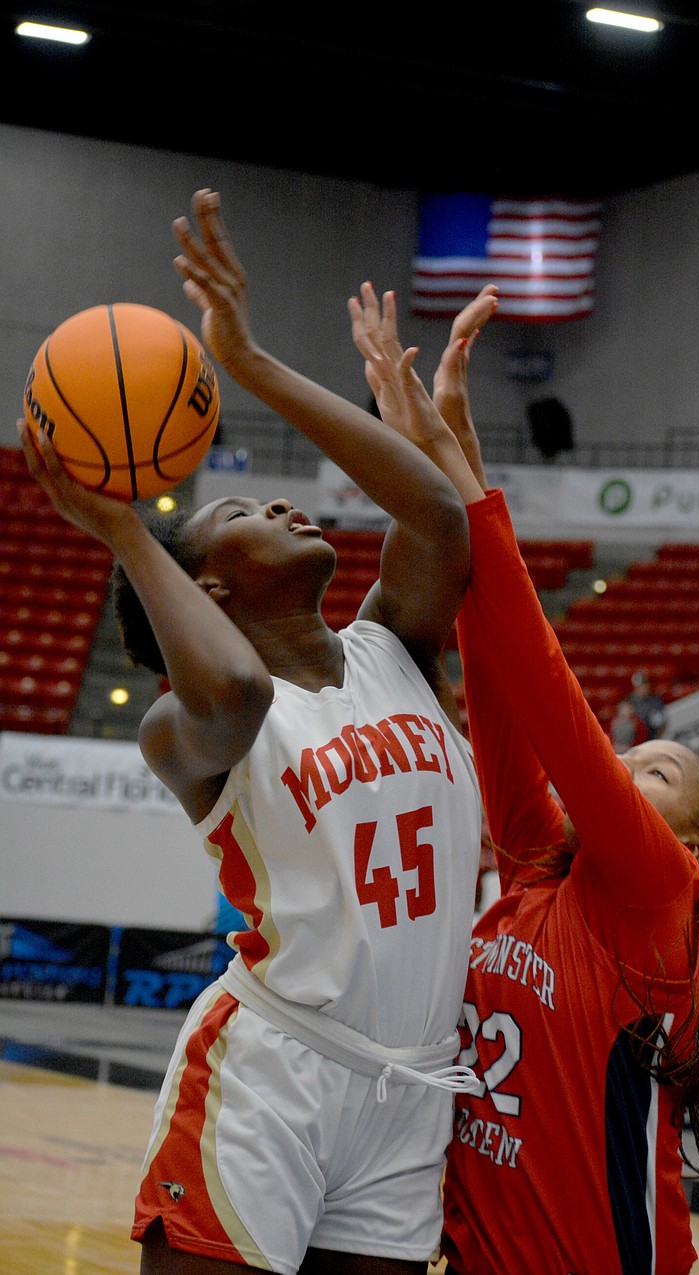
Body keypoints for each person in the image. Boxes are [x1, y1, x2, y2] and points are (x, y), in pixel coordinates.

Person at [19, 189, 484, 1275]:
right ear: (212, 588)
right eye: (240, 515)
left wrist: (247, 360)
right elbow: (234, 689)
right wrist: (126, 529)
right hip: (274, 1075)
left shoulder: (394, 648)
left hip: (411, 1086)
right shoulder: (183, 728)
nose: (277, 507)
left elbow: (438, 515)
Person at [347, 282, 699, 1275]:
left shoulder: (658, 896)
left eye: (654, 770)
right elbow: (497, 681)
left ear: (690, 846)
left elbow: (542, 681)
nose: (621, 765)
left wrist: (458, 476)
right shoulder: (542, 872)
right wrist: (450, 455)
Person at [628, 668, 668, 739]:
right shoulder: (629, 701)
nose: (642, 689)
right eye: (639, 687)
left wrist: (657, 738)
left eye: (643, 685)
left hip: (652, 736)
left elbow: (661, 722)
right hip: (635, 738)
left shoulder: (655, 700)